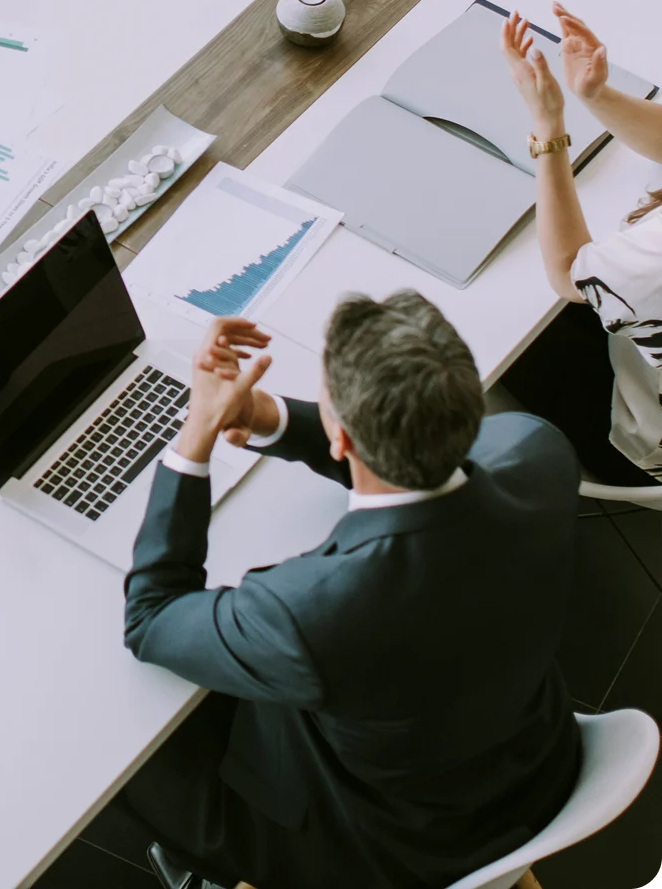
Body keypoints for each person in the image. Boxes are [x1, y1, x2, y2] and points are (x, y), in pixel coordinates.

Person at [119, 293, 581, 889]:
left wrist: (194, 438)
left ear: (339, 436)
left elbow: (151, 616)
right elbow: (420, 461)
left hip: (404, 845)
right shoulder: (539, 453)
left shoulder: (308, 611)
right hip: (536, 769)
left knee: (134, 763)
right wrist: (267, 416)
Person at [499, 5, 662, 486]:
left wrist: (548, 126)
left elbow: (570, 273)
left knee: (510, 346)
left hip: (641, 425)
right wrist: (597, 95)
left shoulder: (650, 263)